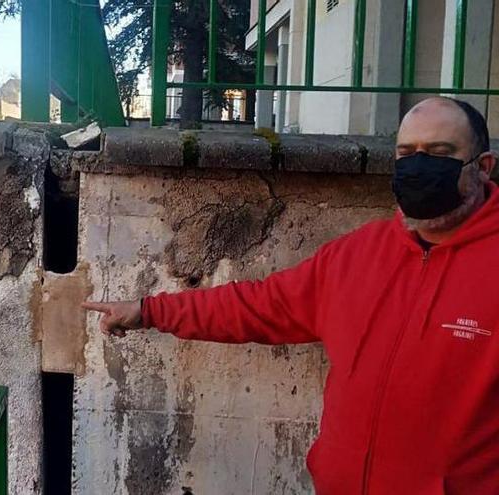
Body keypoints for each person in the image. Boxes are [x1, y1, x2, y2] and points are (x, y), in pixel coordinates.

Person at [82, 97, 499, 494]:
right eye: (407, 153)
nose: (419, 165)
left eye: (439, 152)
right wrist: (149, 310)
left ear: (483, 167)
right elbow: (258, 305)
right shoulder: (357, 254)